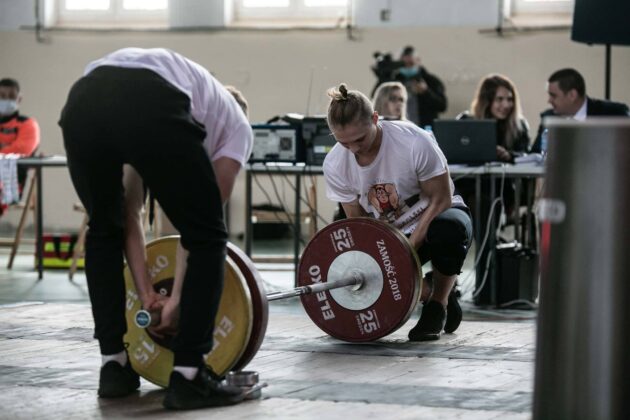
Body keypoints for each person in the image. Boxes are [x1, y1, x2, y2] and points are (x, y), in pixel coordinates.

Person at [58, 48, 253, 410]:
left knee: (103, 229)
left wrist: (154, 294)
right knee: (209, 233)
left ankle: (113, 367)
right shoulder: (237, 129)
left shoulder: (190, 95)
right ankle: (190, 376)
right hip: (148, 98)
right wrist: (175, 300)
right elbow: (199, 233)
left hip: (83, 99)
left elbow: (127, 215)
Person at [323, 83, 473, 342]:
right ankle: (431, 291)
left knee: (449, 229)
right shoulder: (335, 163)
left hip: (436, 214)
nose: (354, 149)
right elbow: (358, 222)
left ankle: (437, 306)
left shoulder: (414, 141)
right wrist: (375, 260)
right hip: (389, 230)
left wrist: (406, 249)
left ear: (375, 119)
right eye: (343, 142)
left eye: (359, 139)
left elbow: (440, 199)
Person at [531, 68, 630, 153]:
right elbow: (535, 155)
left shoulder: (613, 113)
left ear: (572, 95)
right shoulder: (549, 118)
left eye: (553, 96)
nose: (549, 100)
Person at [458, 74, 530, 162]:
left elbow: (527, 155)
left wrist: (509, 155)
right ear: (486, 101)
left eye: (510, 99)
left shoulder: (519, 125)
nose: (506, 105)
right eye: (499, 99)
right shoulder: (466, 122)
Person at [394, 46, 447, 128]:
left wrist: (426, 92)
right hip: (400, 129)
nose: (407, 67)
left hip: (425, 129)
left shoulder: (431, 81)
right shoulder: (394, 81)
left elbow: (442, 106)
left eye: (411, 64)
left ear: (418, 61)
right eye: (404, 64)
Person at [0, 78, 40, 156]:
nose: (7, 99)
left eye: (12, 96)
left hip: (17, 168)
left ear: (19, 99)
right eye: (2, 96)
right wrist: (8, 147)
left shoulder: (28, 124)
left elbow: (21, 150)